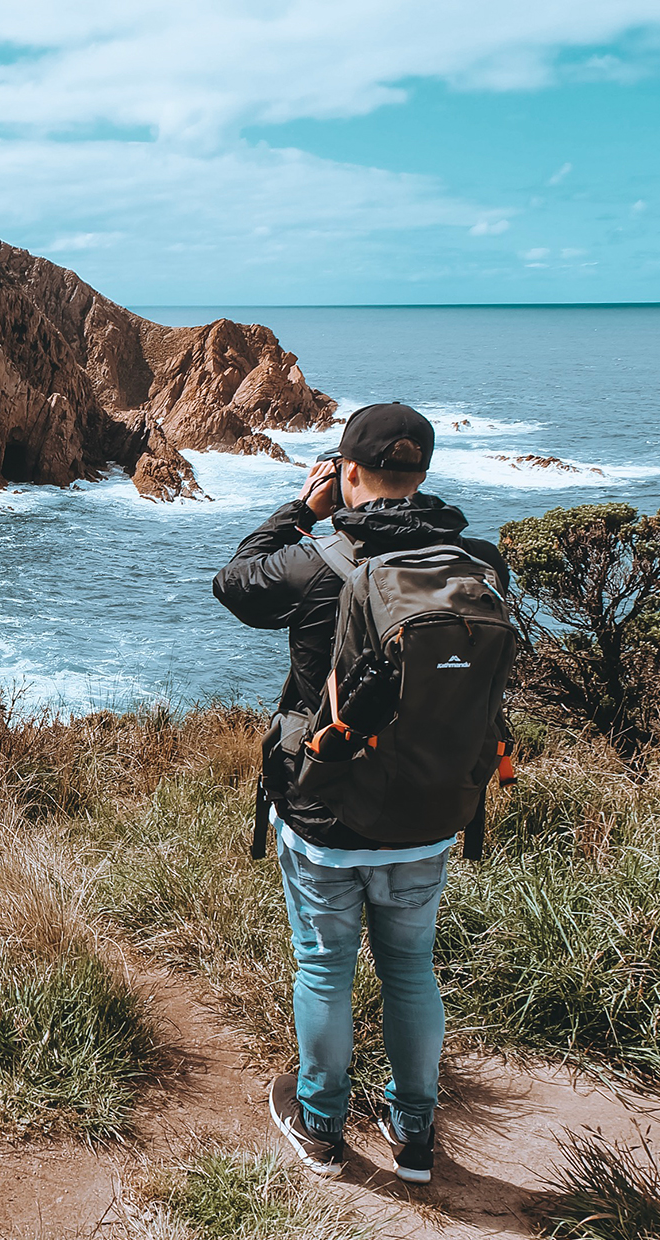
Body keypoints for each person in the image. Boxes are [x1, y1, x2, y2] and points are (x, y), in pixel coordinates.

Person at [211, 403, 508, 1184]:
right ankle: (415, 1135)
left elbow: (234, 584)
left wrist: (299, 510)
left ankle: (321, 1127)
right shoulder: (479, 566)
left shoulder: (318, 562)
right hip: (431, 812)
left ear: (345, 471)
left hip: (327, 810)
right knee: (411, 969)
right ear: (423, 472)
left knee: (324, 969)